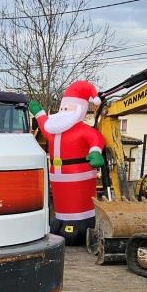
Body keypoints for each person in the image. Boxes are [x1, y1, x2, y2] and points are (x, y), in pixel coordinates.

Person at [29, 81, 106, 245]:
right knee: (61, 203)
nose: (63, 111)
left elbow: (96, 138)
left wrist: (95, 152)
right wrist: (39, 112)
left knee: (78, 201)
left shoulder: (83, 130)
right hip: (57, 174)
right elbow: (44, 126)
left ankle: (82, 224)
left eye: (68, 108)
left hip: (79, 174)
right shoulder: (54, 130)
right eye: (63, 108)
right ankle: (60, 220)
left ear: (80, 109)